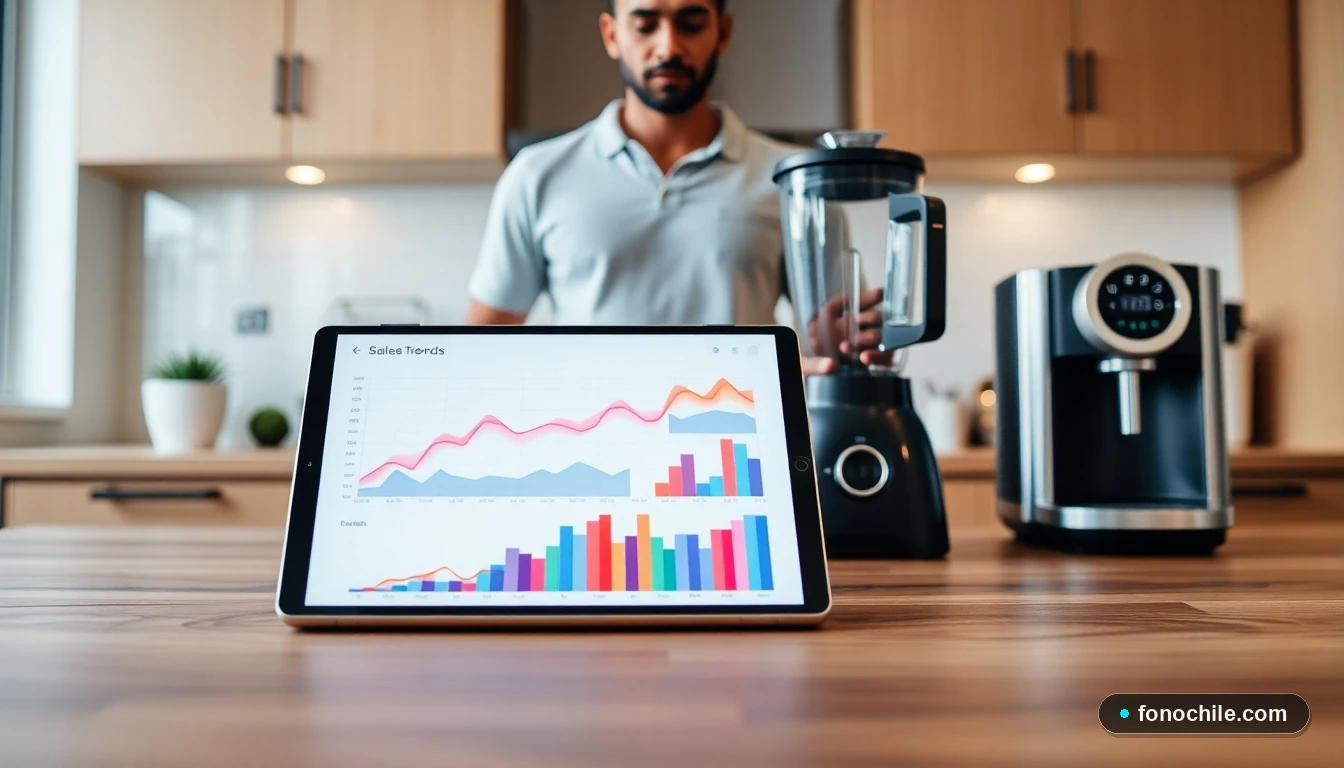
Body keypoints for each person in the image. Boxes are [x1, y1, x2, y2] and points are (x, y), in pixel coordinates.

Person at [466, 0, 885, 372]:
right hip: (589, 448)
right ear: (612, 35)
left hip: (739, 448)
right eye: (645, 24)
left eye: (690, 23)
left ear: (722, 33)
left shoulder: (797, 182)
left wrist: (850, 349)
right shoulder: (537, 175)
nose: (668, 47)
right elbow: (481, 351)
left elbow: (838, 347)